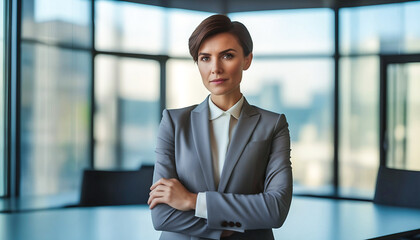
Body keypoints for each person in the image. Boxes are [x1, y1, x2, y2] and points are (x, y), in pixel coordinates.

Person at [148, 14, 292, 240]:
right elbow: (162, 216)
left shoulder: (272, 125)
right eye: (205, 58)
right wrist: (231, 224)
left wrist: (192, 201)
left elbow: (275, 209)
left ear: (247, 60)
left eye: (227, 56)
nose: (215, 68)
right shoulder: (174, 123)